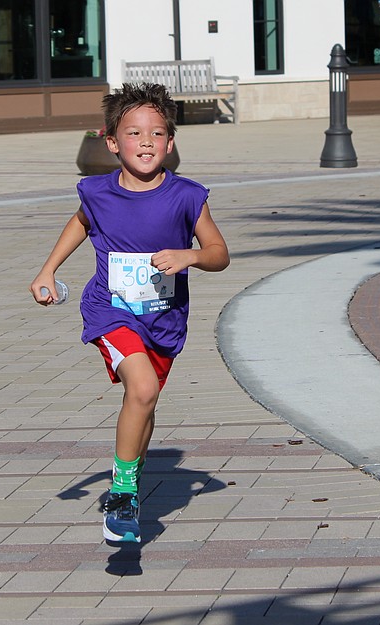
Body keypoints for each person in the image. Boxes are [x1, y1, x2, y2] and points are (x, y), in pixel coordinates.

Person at [29, 82, 230, 544]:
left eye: (156, 134)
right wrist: (47, 269)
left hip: (163, 320)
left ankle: (130, 478)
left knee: (145, 399)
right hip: (110, 310)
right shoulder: (98, 193)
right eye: (134, 133)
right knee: (141, 388)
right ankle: (122, 495)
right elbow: (80, 222)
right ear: (113, 143)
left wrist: (189, 256)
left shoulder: (187, 196)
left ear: (170, 143)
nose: (146, 142)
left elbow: (219, 253)